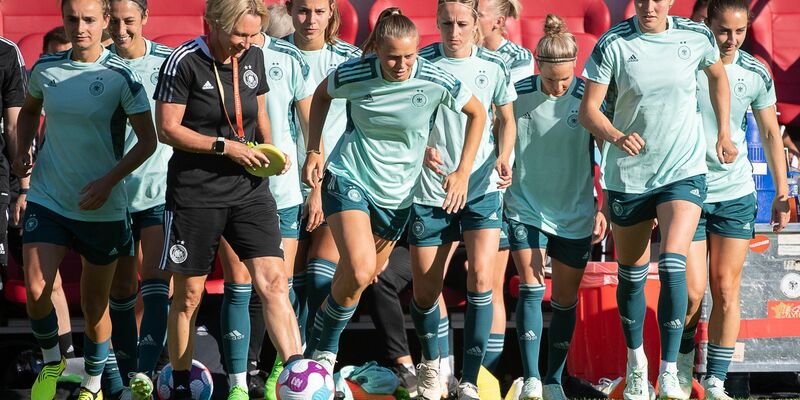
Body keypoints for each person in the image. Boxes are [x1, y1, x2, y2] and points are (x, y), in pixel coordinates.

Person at [301, 6, 485, 382]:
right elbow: (320, 96)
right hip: (350, 177)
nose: (401, 65)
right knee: (361, 266)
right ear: (377, 53)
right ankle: (324, 357)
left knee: (360, 279)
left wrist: (463, 171)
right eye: (392, 58)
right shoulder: (355, 73)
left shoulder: (435, 78)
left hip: (398, 195)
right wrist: (315, 149)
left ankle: (314, 346)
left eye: (408, 56)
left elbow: (478, 113)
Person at [579, 0, 734, 398]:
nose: (649, 6)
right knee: (631, 277)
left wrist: (722, 133)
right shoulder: (613, 43)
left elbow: (718, 77)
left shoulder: (696, 35)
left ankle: (668, 370)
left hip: (682, 171)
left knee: (673, 263)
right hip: (629, 177)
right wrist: (615, 136)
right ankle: (636, 367)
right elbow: (588, 111)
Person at [153, 0, 302, 398]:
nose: (248, 43)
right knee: (188, 294)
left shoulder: (255, 54)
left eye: (254, 34)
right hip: (195, 193)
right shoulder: (182, 62)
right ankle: (181, 383)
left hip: (250, 191)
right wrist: (226, 147)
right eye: (240, 34)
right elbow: (167, 129)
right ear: (214, 25)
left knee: (274, 282)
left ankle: (298, 376)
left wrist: (269, 152)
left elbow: (259, 111)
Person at [15, 0, 158, 398]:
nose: (80, 28)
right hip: (49, 197)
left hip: (102, 207)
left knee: (96, 307)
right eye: (72, 19)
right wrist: (22, 147)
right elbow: (29, 111)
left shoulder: (121, 76)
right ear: (63, 19)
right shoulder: (46, 69)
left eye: (89, 20)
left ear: (105, 22)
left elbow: (148, 142)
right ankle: (52, 362)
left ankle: (93, 382)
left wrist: (109, 181)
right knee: (37, 285)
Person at [679, 1, 790, 399]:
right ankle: (678, 372)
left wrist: (782, 192)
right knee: (690, 294)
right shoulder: (686, 64)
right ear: (707, 24)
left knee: (726, 288)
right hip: (685, 192)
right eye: (723, 30)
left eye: (739, 32)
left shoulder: (756, 71)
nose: (731, 40)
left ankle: (716, 379)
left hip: (735, 192)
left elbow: (772, 134)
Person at [409, 1, 515, 399]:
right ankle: (434, 370)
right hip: (430, 191)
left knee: (482, 278)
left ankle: (469, 380)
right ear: (436, 23)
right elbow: (404, 121)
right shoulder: (419, 64)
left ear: (477, 25)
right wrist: (420, 150)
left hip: (481, 188)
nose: (453, 31)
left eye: (462, 23)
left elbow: (506, 120)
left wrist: (504, 155)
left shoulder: (494, 67)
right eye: (446, 23)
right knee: (424, 292)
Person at [505, 14, 607, 400]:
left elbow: (606, 154)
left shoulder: (587, 97)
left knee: (564, 300)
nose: (558, 86)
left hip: (575, 210)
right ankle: (531, 377)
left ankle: (553, 379)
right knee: (531, 288)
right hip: (525, 206)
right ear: (537, 64)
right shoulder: (516, 95)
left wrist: (605, 205)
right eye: (551, 79)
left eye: (565, 79)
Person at [229, 24, 315, 400]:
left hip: (283, 189)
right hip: (232, 188)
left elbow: (311, 124)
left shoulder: (288, 56)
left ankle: (286, 372)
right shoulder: (218, 57)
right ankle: (237, 383)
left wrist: (315, 182)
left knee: (281, 284)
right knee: (240, 286)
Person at [103, 0, 174, 398]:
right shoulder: (97, 63)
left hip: (160, 189)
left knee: (157, 283)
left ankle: (145, 374)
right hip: (111, 196)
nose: (121, 29)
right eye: (114, 21)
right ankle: (121, 381)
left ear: (146, 19)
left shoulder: (169, 62)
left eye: (129, 20)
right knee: (120, 290)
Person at [283, 0, 362, 355]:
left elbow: (363, 126)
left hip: (334, 183)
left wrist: (319, 187)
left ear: (331, 11)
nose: (310, 19)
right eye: (302, 10)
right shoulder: (272, 53)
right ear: (289, 9)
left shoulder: (351, 59)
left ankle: (318, 363)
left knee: (319, 279)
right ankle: (290, 363)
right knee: (288, 285)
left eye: (318, 10)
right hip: (282, 186)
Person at [477, 0, 533, 83]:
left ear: (498, 22)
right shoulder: (460, 50)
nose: (468, 19)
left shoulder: (518, 57)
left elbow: (508, 94)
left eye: (478, 15)